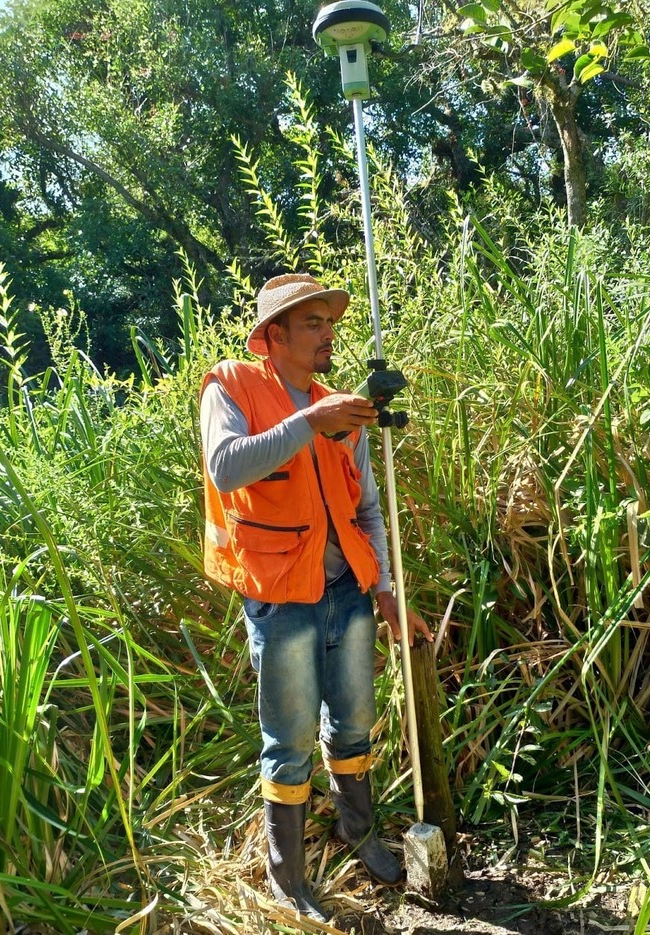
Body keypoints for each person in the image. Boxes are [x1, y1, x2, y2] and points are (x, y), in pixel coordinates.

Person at [199, 273, 432, 922]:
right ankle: (289, 880)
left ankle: (358, 835)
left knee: (354, 724)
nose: (330, 333)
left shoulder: (340, 406)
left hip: (349, 594)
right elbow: (225, 465)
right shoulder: (233, 386)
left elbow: (367, 509)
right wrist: (310, 421)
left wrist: (385, 590)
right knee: (290, 741)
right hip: (283, 601)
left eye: (330, 323)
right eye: (313, 324)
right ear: (273, 337)